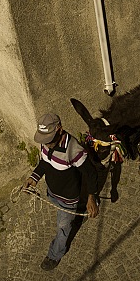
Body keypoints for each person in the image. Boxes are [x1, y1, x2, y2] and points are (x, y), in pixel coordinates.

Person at [24, 112, 99, 270]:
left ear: (59, 129)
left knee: (63, 228)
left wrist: (92, 197)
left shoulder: (74, 150)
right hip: (52, 192)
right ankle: (78, 212)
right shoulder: (46, 142)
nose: (46, 144)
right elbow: (44, 162)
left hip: (67, 199)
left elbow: (91, 173)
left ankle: (54, 255)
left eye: (48, 140)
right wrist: (34, 177)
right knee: (65, 221)